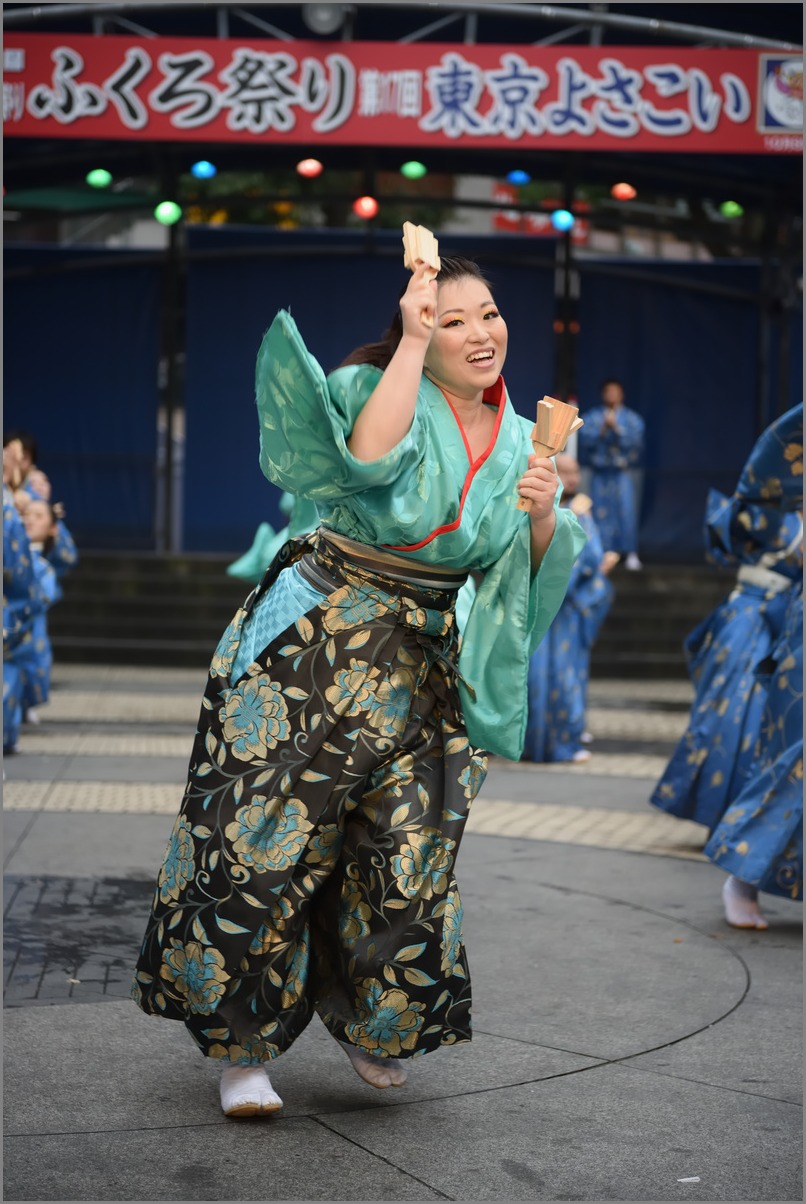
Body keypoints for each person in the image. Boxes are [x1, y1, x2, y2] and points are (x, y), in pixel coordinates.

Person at [132, 254, 586, 1118]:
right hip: (315, 640)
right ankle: (242, 1051)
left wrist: (540, 515)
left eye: (486, 314)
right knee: (263, 844)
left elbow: (515, 579)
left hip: (422, 663)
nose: (479, 334)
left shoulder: (527, 438)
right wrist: (411, 342)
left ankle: (370, 1020)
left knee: (407, 859)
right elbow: (369, 461)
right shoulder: (368, 385)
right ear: (417, 324)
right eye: (451, 320)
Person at [652, 404, 803, 929]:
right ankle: (740, 860)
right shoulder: (769, 507)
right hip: (755, 621)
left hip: (777, 617)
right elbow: (740, 521)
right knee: (747, 727)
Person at [523, 453, 618, 764]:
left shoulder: (577, 511)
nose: (574, 479)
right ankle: (547, 743)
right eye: (566, 472)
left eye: (576, 472)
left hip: (552, 609)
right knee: (549, 678)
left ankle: (547, 743)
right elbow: (588, 559)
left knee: (556, 677)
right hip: (552, 608)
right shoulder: (566, 513)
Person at [578, 378, 645, 570]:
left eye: (615, 392)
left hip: (621, 473)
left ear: (621, 394)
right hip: (600, 473)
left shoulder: (632, 419)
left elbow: (636, 443)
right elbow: (585, 440)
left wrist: (616, 429)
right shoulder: (592, 417)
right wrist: (602, 429)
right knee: (597, 510)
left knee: (626, 510)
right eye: (608, 392)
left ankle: (630, 553)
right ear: (603, 394)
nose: (612, 395)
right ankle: (601, 553)